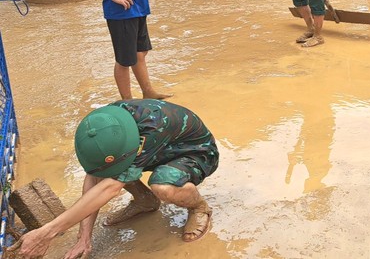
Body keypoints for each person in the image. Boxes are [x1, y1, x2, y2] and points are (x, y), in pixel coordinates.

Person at [8, 99, 218, 258]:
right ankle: (146, 202)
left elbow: (109, 188)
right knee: (112, 167)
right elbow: (95, 177)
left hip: (195, 152)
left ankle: (198, 207)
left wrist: (47, 232)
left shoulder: (151, 128)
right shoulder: (104, 122)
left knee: (162, 184)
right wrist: (84, 237)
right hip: (159, 150)